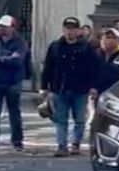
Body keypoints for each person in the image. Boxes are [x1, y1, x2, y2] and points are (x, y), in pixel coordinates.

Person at [41, 16, 100, 157]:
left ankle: (75, 144)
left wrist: (93, 86)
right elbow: (48, 67)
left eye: (73, 29)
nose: (70, 32)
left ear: (78, 30)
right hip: (60, 88)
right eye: (67, 29)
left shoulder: (86, 47)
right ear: (63, 29)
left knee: (79, 119)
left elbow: (94, 68)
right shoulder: (55, 46)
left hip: (80, 88)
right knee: (60, 119)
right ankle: (62, 145)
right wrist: (44, 86)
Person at [0, 15, 32, 153]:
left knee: (14, 112)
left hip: (13, 82)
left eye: (4, 26)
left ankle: (17, 140)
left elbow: (16, 60)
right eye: (0, 26)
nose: (1, 29)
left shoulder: (20, 43)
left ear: (12, 27)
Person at [95, 28, 119, 94]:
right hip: (98, 91)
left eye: (113, 38)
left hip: (116, 91)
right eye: (107, 37)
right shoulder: (97, 53)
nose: (110, 40)